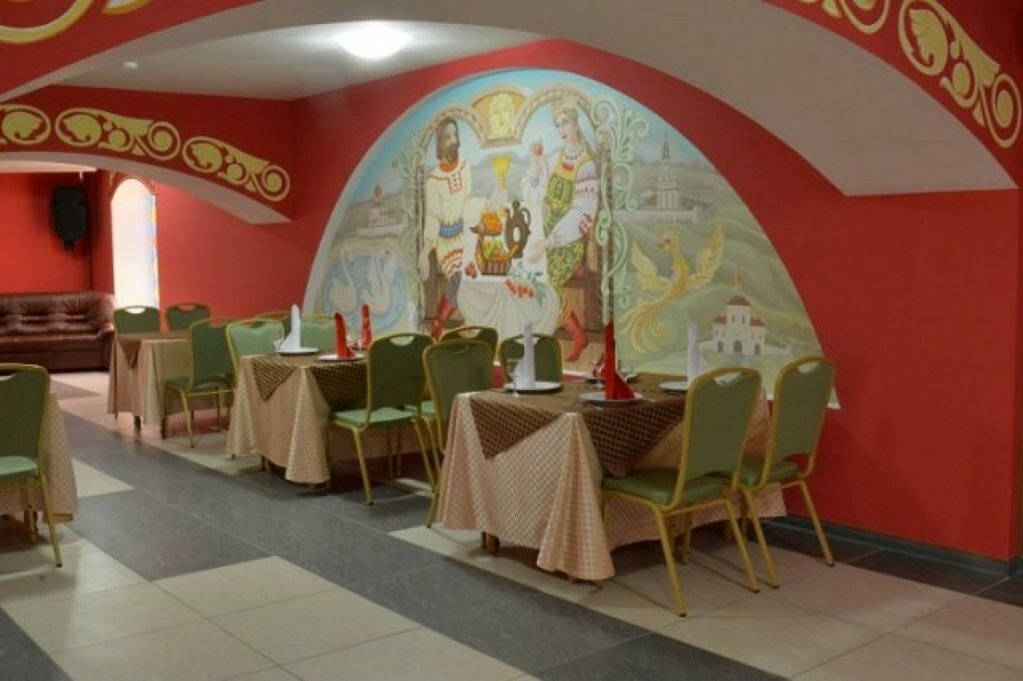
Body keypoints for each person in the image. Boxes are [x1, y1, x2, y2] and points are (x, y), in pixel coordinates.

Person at [520, 98, 598, 361]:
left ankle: (577, 335)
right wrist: (534, 164)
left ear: (576, 123)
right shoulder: (554, 158)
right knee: (522, 275)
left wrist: (549, 241)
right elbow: (533, 196)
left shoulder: (586, 165)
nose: (562, 129)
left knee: (544, 282)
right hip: (545, 234)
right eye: (558, 124)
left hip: (568, 240)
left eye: (565, 122)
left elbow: (582, 213)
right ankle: (534, 339)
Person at [420, 116, 483, 338]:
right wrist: (425, 251)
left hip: (466, 235)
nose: (453, 141)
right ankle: (439, 323)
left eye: (455, 135)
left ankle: (472, 320)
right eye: (447, 137)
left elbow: (468, 202)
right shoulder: (434, 181)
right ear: (440, 144)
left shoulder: (465, 167)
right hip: (446, 242)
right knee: (459, 274)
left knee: (478, 272)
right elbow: (432, 218)